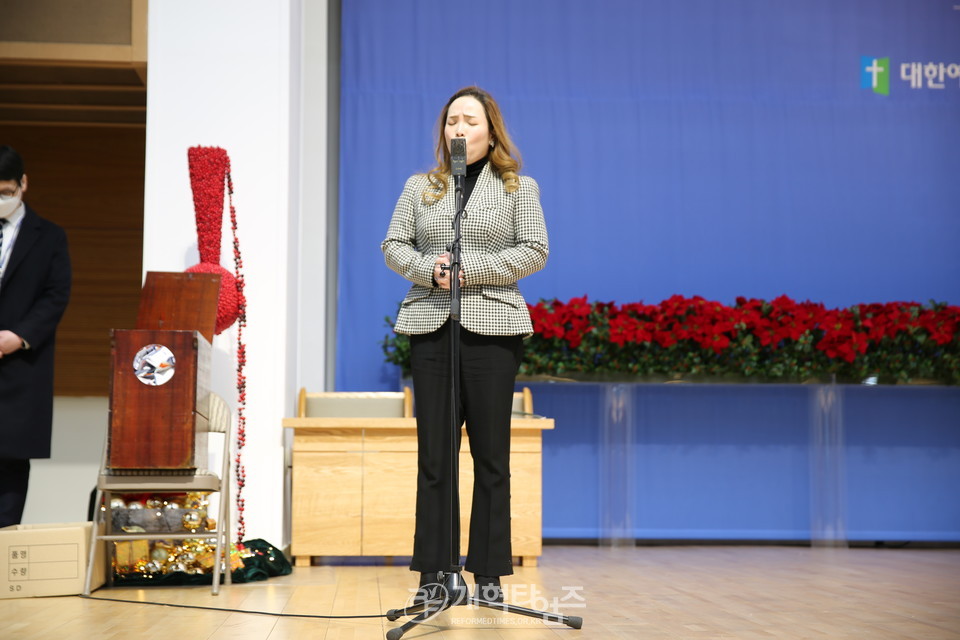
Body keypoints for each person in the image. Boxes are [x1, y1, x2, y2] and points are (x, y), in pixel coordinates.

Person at [382, 86, 549, 603]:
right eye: (451, 120)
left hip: (493, 332)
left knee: (490, 455)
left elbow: (535, 251)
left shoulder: (520, 188)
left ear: (490, 130)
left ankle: (490, 574)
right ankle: (434, 573)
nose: (458, 128)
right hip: (432, 326)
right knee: (435, 455)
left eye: (469, 120)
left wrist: (469, 271)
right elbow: (393, 245)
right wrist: (428, 270)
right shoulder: (421, 187)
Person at [0, 145, 72, 528]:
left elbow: (56, 294)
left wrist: (19, 336)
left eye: (6, 192)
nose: (0, 200)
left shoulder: (49, 237)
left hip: (19, 365)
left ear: (23, 184)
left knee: (11, 461)